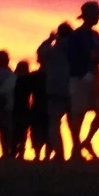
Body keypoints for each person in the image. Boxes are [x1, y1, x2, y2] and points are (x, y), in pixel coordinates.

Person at [65, 1, 99, 159]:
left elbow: (98, 53)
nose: (98, 17)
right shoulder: (76, 35)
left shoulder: (95, 35)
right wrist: (91, 58)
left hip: (93, 76)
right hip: (80, 77)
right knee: (78, 113)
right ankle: (76, 147)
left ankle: (86, 141)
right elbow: (73, 57)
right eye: (96, 15)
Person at [37, 26, 74, 161]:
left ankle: (59, 153)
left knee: (54, 124)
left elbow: (40, 52)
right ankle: (76, 152)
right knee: (74, 125)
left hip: (55, 90)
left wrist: (50, 39)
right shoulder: (74, 49)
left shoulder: (51, 50)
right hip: (73, 89)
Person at [11, 59, 34, 160]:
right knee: (20, 131)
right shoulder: (28, 79)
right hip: (22, 107)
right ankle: (17, 151)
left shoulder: (15, 79)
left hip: (19, 107)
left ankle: (17, 151)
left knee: (18, 130)